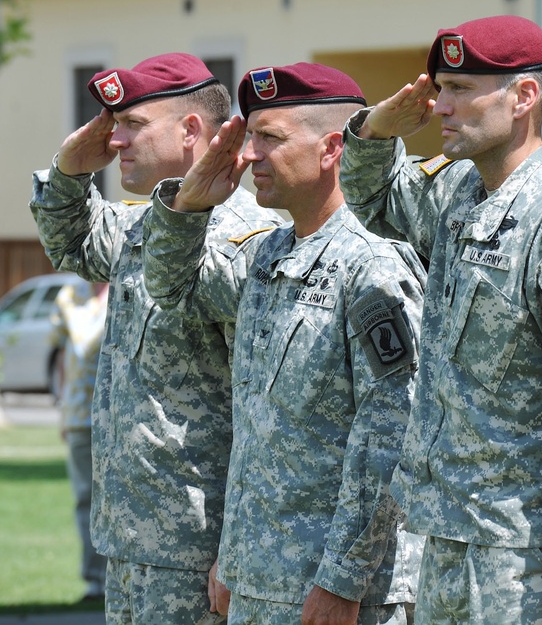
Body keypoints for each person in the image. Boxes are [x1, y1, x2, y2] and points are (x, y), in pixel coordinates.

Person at [339, 14, 542, 624]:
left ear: (524, 97)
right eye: (441, 88)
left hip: (526, 548)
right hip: (447, 531)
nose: (441, 105)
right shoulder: (457, 195)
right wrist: (375, 131)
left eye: (460, 89)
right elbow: (370, 199)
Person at [140, 63, 426, 625]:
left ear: (331, 149)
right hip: (259, 578)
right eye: (250, 137)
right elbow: (170, 287)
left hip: (339, 588)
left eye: (270, 138)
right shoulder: (268, 254)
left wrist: (343, 579)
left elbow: (389, 436)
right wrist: (189, 205)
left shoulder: (373, 266)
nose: (248, 156)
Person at [29, 53, 283, 624]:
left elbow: (267, 411)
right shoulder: (140, 225)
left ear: (192, 130)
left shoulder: (249, 238)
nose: (116, 142)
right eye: (113, 126)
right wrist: (69, 168)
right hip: (133, 536)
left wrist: (235, 548)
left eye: (133, 125)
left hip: (200, 543)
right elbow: (69, 240)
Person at [50, 279, 109, 603]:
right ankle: (94, 580)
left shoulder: (132, 283)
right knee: (85, 497)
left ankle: (120, 576)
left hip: (118, 417)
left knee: (116, 498)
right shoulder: (69, 296)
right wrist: (62, 408)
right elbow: (61, 355)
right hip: (77, 415)